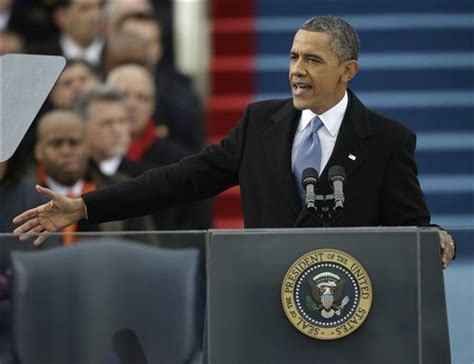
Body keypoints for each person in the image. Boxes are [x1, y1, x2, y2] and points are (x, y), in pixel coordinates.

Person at [13, 16, 455, 267]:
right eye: (293, 56)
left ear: (348, 71)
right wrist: (88, 207)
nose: (297, 69)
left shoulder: (388, 139)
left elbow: (411, 224)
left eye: (313, 60)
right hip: (264, 295)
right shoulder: (261, 122)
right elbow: (181, 180)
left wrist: (433, 237)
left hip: (351, 304)